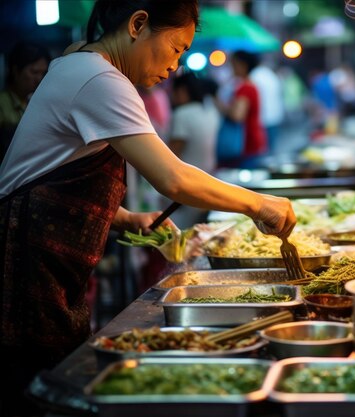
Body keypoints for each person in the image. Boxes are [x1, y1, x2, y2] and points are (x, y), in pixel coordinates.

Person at [0, 1, 295, 415]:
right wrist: (259, 204)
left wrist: (126, 219)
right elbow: (173, 178)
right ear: (138, 24)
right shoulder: (97, 77)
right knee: (35, 393)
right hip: (23, 262)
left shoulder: (85, 69)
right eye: (176, 48)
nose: (177, 65)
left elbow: (51, 175)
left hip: (43, 258)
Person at [167, 72, 220, 228]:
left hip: (186, 183)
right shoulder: (210, 111)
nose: (172, 96)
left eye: (174, 91)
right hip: (209, 176)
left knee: (183, 234)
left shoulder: (182, 114)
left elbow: (171, 155)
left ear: (183, 90)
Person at [214, 50, 267, 167]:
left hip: (246, 143)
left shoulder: (245, 88)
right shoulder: (248, 85)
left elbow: (237, 115)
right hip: (249, 141)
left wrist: (218, 103)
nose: (231, 68)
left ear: (243, 65)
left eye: (233, 64)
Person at [0, 41, 50, 162]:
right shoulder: (2, 103)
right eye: (34, 72)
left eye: (43, 73)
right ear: (16, 70)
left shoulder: (38, 103)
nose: (39, 79)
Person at [250, 60, 284, 154]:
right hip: (275, 115)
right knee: (271, 148)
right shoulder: (271, 75)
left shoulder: (255, 75)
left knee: (262, 150)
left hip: (263, 118)